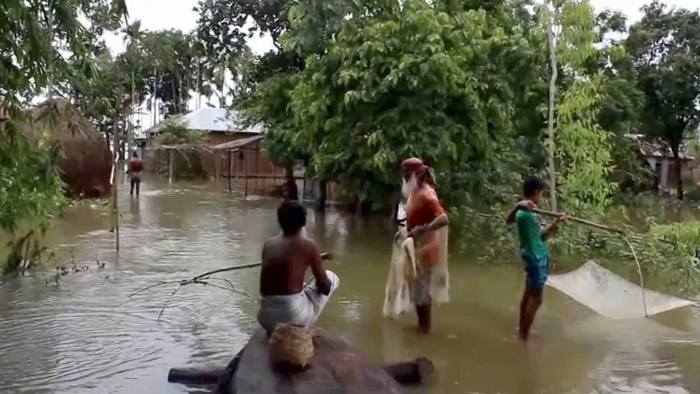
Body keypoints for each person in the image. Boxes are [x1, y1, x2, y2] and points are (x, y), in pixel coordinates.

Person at [257, 201, 339, 334]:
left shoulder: (268, 244)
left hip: (265, 318)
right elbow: (325, 288)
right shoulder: (308, 245)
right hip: (291, 319)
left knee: (300, 286)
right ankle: (303, 325)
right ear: (304, 222)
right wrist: (318, 263)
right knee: (331, 277)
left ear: (279, 221)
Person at [505, 176, 568, 341]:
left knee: (527, 295)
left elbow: (541, 235)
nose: (541, 198)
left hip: (530, 256)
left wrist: (556, 223)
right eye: (541, 194)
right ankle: (523, 337)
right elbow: (508, 220)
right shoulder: (526, 213)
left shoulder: (526, 212)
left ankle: (522, 330)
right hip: (536, 258)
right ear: (535, 193)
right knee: (537, 300)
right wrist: (518, 204)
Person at [400, 158, 449, 334]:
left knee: (421, 293)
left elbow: (443, 219)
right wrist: (405, 230)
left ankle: (424, 330)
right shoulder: (415, 190)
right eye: (403, 171)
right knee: (417, 292)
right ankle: (422, 327)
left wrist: (424, 229)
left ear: (419, 173)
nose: (404, 176)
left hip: (427, 249)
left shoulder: (427, 194)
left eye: (407, 172)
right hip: (417, 248)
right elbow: (414, 216)